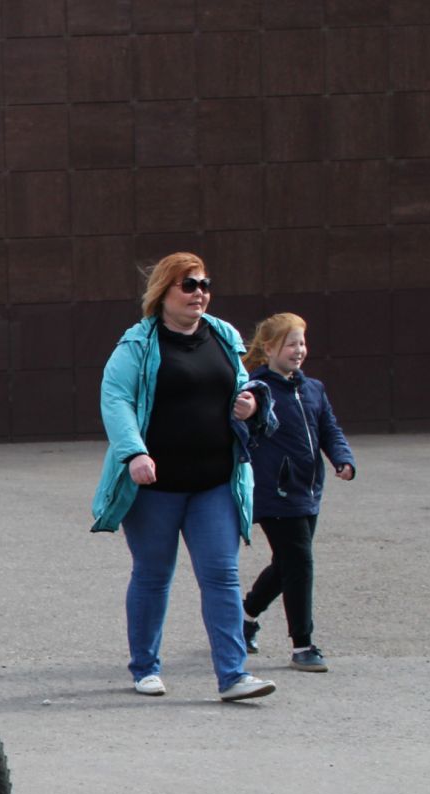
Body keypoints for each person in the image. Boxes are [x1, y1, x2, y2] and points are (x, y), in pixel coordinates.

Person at [91, 252, 275, 702]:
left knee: (222, 575)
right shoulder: (137, 344)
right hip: (156, 484)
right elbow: (115, 400)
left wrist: (251, 404)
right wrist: (133, 452)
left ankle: (233, 675)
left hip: (215, 480)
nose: (200, 293)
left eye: (205, 284)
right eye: (189, 285)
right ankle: (145, 666)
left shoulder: (225, 335)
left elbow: (243, 386)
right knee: (154, 575)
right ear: (164, 292)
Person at [240, 313, 355, 674]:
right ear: (270, 348)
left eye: (302, 343)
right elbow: (245, 424)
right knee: (300, 563)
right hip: (275, 494)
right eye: (291, 343)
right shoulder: (257, 389)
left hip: (308, 491)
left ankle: (244, 617)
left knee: (287, 563)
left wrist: (342, 458)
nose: (299, 350)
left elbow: (329, 430)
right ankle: (303, 645)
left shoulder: (313, 389)